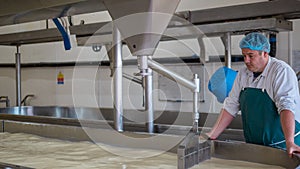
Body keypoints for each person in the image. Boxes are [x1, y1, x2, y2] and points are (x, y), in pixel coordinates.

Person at [206, 32, 300, 157]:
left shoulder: (281, 71)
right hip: (255, 146)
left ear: (265, 53)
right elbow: (231, 105)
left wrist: (289, 142)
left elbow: (286, 107)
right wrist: (211, 136)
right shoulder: (243, 74)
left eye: (251, 55)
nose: (246, 60)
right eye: (244, 55)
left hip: (282, 145)